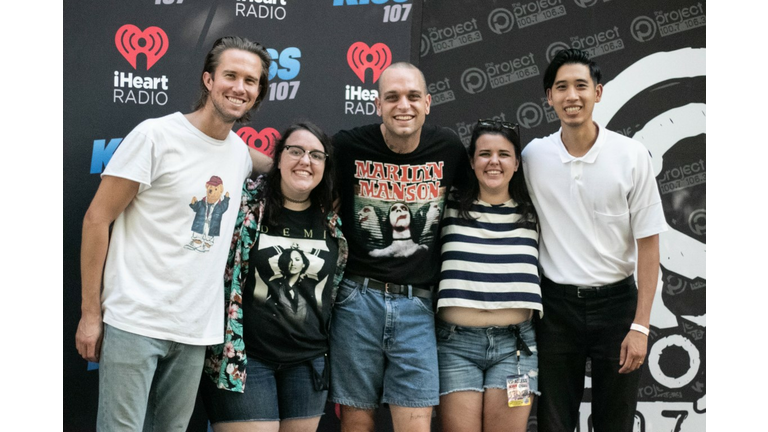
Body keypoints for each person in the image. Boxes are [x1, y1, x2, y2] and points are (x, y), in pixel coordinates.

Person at [74, 36, 273, 431]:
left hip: (196, 330)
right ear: (208, 79)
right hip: (135, 321)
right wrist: (90, 314)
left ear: (257, 94)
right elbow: (97, 219)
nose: (239, 87)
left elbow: (283, 169)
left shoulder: (239, 153)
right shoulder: (156, 136)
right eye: (230, 75)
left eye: (250, 81)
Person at [521, 48, 667, 431]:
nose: (572, 96)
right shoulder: (534, 156)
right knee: (554, 421)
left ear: (598, 93)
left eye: (581, 86)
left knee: (615, 422)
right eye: (561, 87)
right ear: (549, 97)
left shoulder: (632, 155)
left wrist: (640, 326)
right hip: (555, 308)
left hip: (617, 306)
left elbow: (649, 246)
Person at [330, 62, 469, 432]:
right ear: (377, 105)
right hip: (357, 298)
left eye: (411, 97)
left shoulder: (449, 147)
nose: (402, 105)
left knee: (415, 421)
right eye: (392, 97)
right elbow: (298, 174)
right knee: (357, 418)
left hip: (419, 305)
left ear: (427, 103)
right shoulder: (347, 147)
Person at [200, 122, 347, 432]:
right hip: (246, 358)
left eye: (316, 155)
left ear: (325, 166)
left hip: (308, 363)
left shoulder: (333, 222)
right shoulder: (245, 206)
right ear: (277, 158)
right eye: (295, 151)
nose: (305, 161)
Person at [436, 119, 542, 432]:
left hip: (517, 350)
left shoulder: (535, 212)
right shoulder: (448, 206)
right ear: (471, 161)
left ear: (517, 163)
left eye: (503, 154)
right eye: (484, 154)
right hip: (455, 347)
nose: (493, 161)